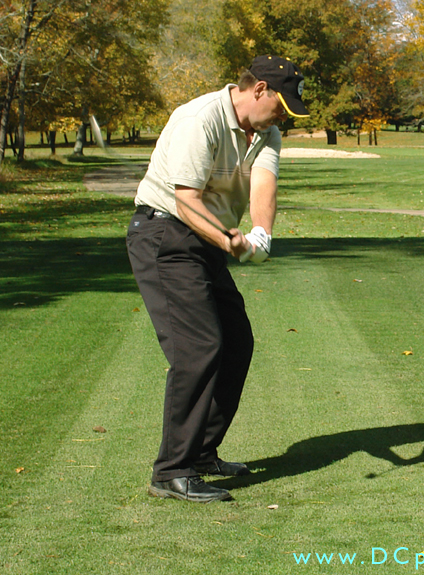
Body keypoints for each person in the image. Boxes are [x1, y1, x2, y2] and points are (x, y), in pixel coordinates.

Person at [126, 55, 309, 503]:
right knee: (198, 347)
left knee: (236, 341)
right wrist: (230, 240)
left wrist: (261, 234)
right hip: (164, 234)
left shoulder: (265, 132)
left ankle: (202, 452)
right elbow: (185, 199)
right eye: (282, 106)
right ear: (259, 89)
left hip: (204, 241)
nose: (283, 117)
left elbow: (263, 184)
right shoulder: (200, 119)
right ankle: (172, 470)